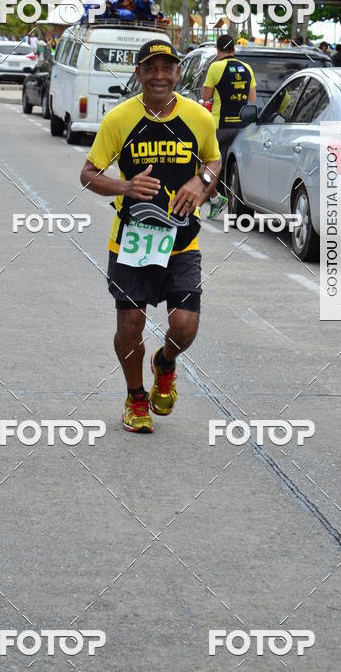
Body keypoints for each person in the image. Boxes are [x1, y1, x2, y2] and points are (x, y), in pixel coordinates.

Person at [80, 39, 221, 434]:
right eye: (151, 68)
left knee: (185, 326)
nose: (160, 75)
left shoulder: (199, 117)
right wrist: (124, 188)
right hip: (132, 241)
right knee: (130, 325)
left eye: (167, 68)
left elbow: (213, 159)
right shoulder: (120, 119)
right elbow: (88, 173)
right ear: (139, 73)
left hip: (182, 240)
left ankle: (165, 364)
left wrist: (200, 181)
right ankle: (135, 396)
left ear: (177, 73)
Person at [201, 33, 256, 219]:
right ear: (234, 49)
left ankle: (207, 202)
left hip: (219, 124)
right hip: (241, 125)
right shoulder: (247, 68)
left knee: (209, 164)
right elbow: (252, 98)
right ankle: (216, 198)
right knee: (223, 164)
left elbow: (206, 96)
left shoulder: (216, 67)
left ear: (218, 50)